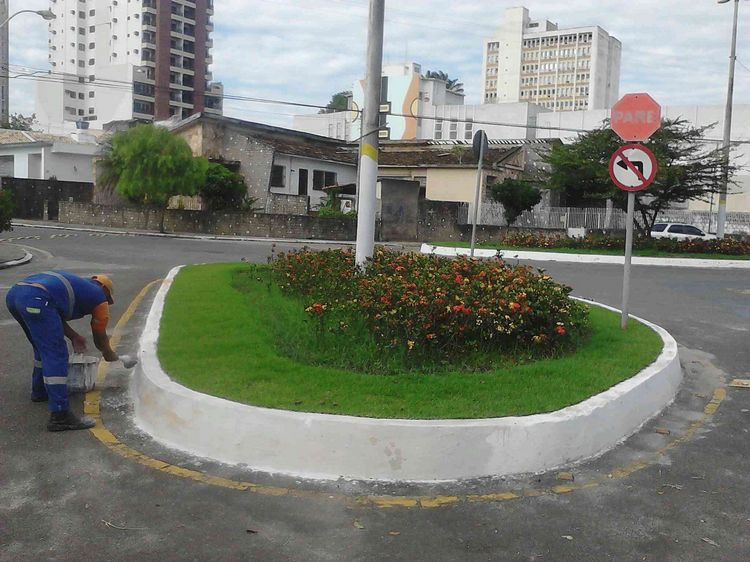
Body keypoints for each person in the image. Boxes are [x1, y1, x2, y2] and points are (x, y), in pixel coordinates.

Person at [5, 271, 136, 432]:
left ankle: (39, 391)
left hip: (16, 295)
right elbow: (99, 335)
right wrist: (108, 353)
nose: (106, 303)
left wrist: (74, 336)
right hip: (37, 299)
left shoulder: (78, 285)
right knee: (56, 354)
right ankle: (60, 416)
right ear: (106, 291)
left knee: (42, 348)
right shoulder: (99, 297)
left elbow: (53, 313)